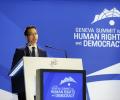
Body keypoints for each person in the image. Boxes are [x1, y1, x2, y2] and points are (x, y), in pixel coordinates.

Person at [11, 25, 47, 100]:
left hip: (39, 89)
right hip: (24, 90)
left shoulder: (43, 53)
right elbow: (14, 71)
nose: (34, 36)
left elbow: (46, 70)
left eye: (36, 33)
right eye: (31, 34)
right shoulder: (20, 51)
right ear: (26, 37)